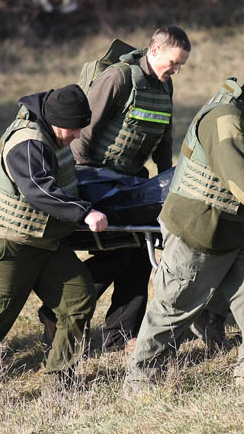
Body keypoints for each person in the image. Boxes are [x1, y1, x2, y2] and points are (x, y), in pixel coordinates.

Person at [124, 61, 244, 392]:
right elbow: (238, 177)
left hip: (235, 226)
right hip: (198, 228)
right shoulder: (226, 119)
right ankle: (141, 379)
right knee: (175, 305)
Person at [0, 85, 108, 411]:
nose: (75, 136)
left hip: (43, 241)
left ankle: (60, 384)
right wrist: (84, 212)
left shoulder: (52, 134)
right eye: (72, 129)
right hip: (8, 245)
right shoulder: (28, 142)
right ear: (56, 120)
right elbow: (38, 190)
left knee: (78, 299)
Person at [38, 26, 191, 353]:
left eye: (181, 65)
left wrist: (167, 185)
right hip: (93, 177)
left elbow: (164, 139)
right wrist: (81, 182)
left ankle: (120, 336)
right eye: (173, 63)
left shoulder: (164, 86)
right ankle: (58, 310)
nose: (176, 70)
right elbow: (82, 131)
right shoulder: (120, 78)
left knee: (135, 250)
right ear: (154, 49)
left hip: (130, 181)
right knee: (123, 247)